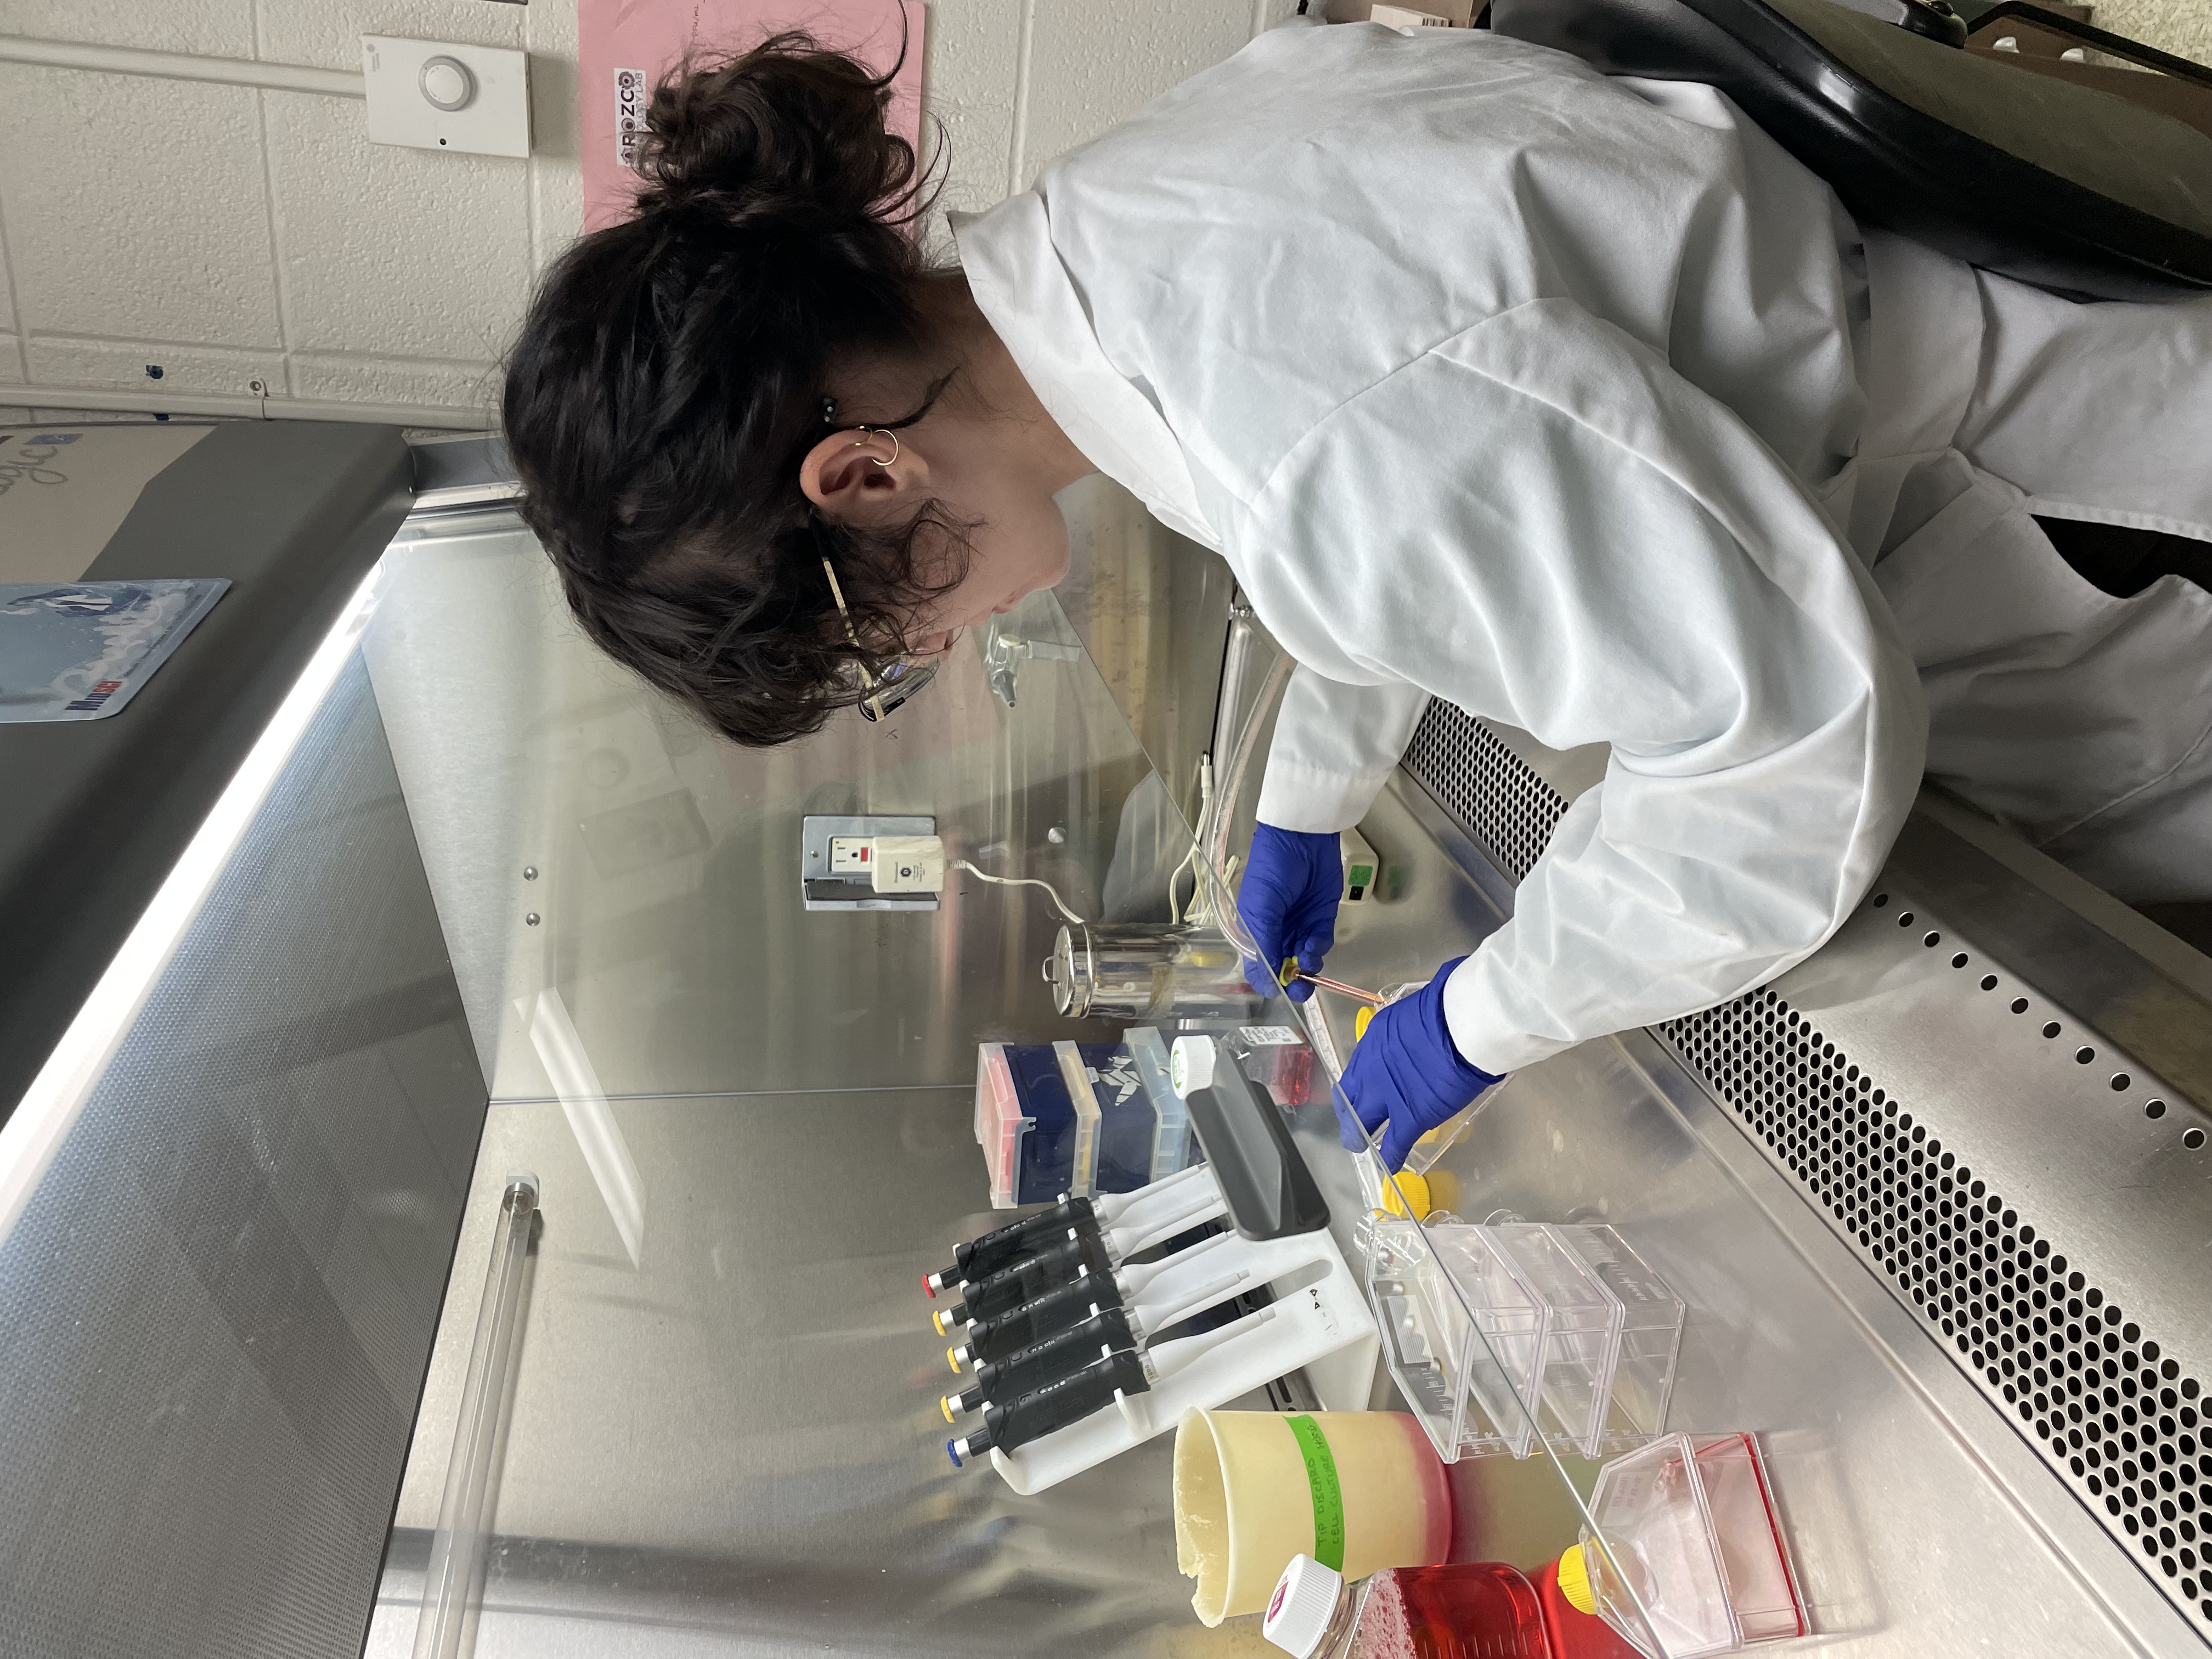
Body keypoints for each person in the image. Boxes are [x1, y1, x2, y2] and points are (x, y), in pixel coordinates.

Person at [501, 27, 2212, 1170]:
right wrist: (1306, 792)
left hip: (2075, 521)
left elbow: (1795, 764)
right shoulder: (1122, 229)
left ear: (863, 480)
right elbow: (1418, 449)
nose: (928, 654)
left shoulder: (1304, 442)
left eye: (875, 647)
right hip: (1915, 358)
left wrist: (1480, 1018)